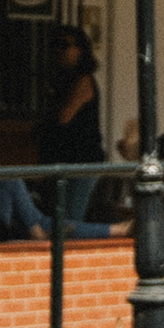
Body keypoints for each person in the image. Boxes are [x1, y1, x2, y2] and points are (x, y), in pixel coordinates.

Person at [38, 28, 116, 237]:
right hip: (61, 159)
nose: (59, 51)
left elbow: (64, 116)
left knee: (70, 219)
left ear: (80, 50)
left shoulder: (83, 80)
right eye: (56, 46)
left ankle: (115, 232)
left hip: (83, 159)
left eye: (65, 46)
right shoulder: (60, 80)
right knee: (56, 214)